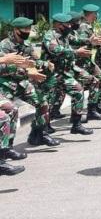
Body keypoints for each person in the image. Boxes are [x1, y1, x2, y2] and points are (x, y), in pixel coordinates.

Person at [0, 17, 60, 148]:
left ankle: (39, 135)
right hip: (5, 84)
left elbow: (33, 61)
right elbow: (1, 69)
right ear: (16, 30)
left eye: (29, 28)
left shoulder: (27, 45)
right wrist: (26, 71)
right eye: (24, 29)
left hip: (22, 83)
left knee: (42, 102)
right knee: (10, 111)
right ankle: (8, 147)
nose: (27, 31)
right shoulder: (5, 45)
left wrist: (45, 64)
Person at [42, 13, 93, 135]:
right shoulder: (50, 36)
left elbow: (77, 40)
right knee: (46, 101)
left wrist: (91, 41)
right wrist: (76, 52)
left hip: (63, 73)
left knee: (78, 91)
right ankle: (44, 129)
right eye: (67, 24)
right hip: (51, 74)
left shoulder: (65, 35)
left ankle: (76, 124)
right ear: (59, 25)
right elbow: (56, 50)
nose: (70, 26)